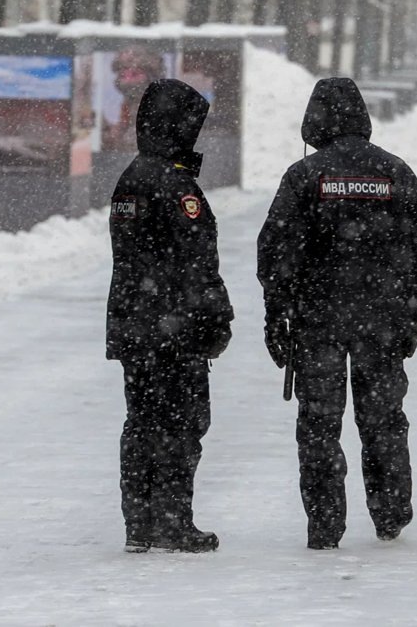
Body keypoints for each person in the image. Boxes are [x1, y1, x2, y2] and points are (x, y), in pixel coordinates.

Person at [257, 77, 417, 550]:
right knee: (383, 420)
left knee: (319, 425)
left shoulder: (304, 176)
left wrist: (277, 315)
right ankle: (390, 513)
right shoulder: (395, 172)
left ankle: (325, 523)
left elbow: (274, 254)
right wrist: (410, 311)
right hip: (381, 323)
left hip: (316, 323)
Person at [106, 78, 235, 553]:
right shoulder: (174, 185)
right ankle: (173, 520)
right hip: (172, 328)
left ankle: (139, 522)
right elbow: (196, 260)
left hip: (137, 323)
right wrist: (214, 318)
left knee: (141, 422)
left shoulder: (132, 177)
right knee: (180, 424)